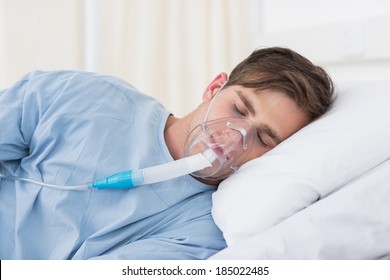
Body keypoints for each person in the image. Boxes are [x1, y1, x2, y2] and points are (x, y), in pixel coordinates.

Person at [0, 47, 334, 259]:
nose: (235, 137)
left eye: (263, 137)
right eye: (239, 108)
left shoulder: (205, 230)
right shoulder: (82, 97)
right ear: (214, 87)